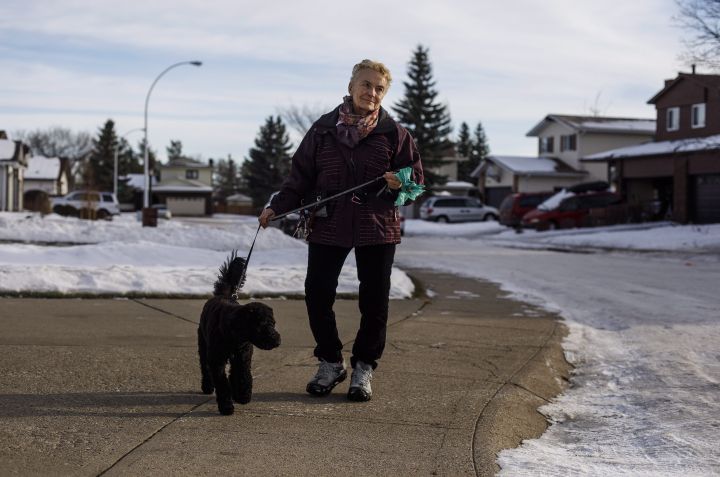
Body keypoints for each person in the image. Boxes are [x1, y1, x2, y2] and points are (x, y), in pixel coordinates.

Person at [259, 59, 423, 402]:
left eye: (379, 88)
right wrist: (277, 205)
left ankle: (364, 366)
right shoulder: (321, 131)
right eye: (366, 85)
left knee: (374, 301)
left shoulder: (395, 134)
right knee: (317, 292)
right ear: (351, 87)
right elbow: (299, 177)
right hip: (328, 221)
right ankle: (330, 362)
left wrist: (400, 181)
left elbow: (416, 183)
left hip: (377, 227)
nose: (372, 93)